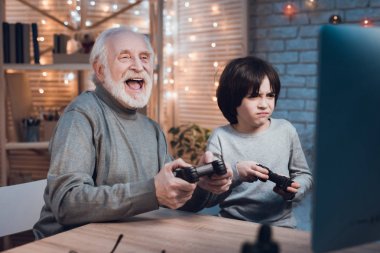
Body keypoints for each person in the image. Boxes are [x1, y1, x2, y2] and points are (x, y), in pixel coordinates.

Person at [33, 27, 232, 239]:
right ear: (100, 71)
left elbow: (171, 200)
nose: (138, 66)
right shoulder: (80, 116)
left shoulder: (152, 130)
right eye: (125, 57)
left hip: (127, 239)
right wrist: (152, 192)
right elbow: (67, 204)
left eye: (144, 57)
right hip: (68, 243)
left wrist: (202, 186)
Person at [206, 56, 313, 228]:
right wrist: (236, 173)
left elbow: (304, 175)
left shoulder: (286, 130)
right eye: (254, 96)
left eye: (270, 95)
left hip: (281, 225)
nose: (264, 105)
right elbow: (210, 189)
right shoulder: (220, 137)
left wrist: (295, 190)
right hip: (232, 224)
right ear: (233, 100)